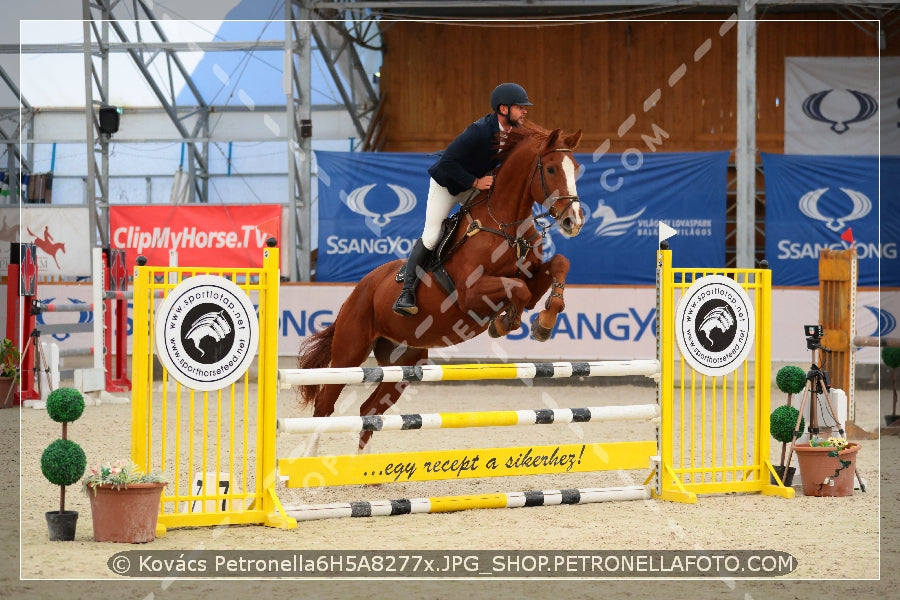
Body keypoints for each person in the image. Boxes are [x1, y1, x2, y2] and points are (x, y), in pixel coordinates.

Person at [393, 82, 533, 316]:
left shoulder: (515, 135)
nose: (525, 111)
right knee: (431, 235)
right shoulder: (478, 130)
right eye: (520, 107)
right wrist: (476, 183)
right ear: (503, 109)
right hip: (447, 185)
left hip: (472, 186)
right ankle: (406, 292)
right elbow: (448, 161)